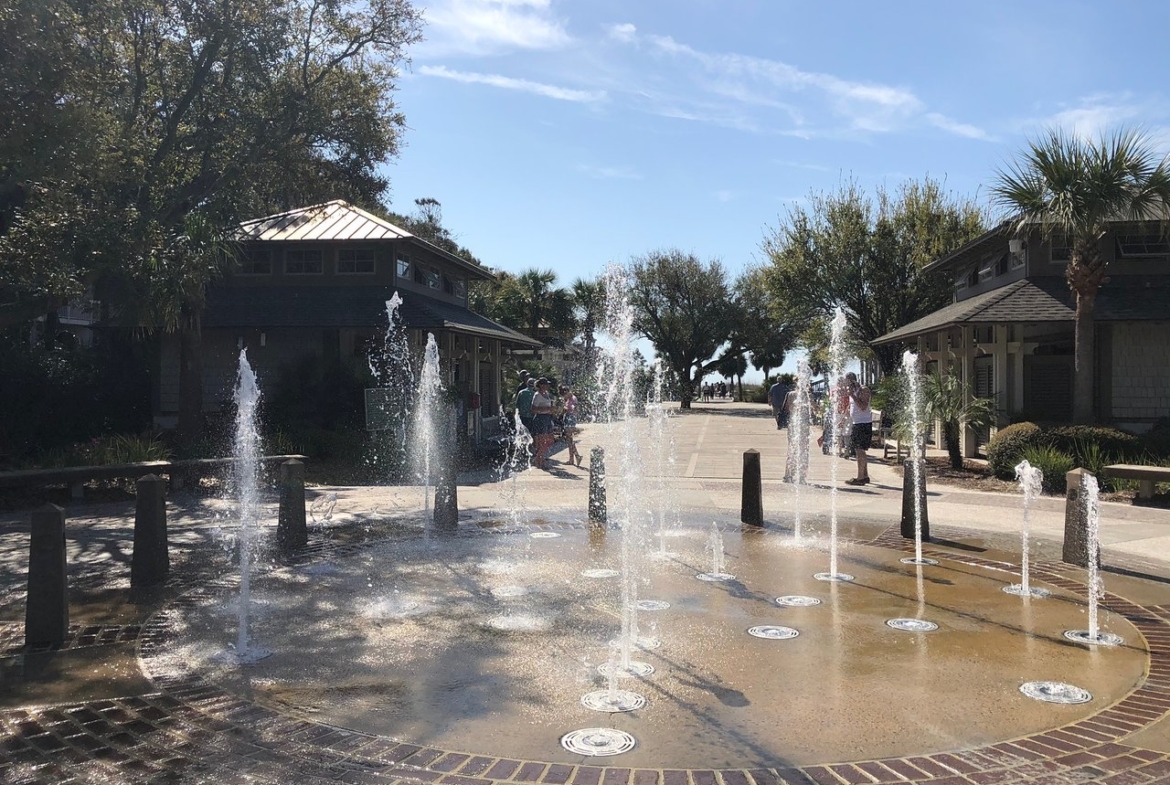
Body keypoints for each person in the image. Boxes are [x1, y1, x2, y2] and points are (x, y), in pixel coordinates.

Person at [843, 372, 873, 486]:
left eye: (847, 381)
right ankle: (864, 475)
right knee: (858, 450)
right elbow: (851, 406)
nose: (846, 384)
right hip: (856, 423)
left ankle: (860, 478)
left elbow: (863, 406)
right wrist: (844, 418)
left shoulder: (863, 390)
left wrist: (852, 395)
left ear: (852, 380)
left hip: (863, 423)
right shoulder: (853, 392)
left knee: (860, 449)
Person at [530, 377, 556, 469]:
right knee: (542, 441)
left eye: (547, 384)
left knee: (550, 440)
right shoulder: (537, 395)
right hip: (540, 419)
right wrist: (546, 409)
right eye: (545, 384)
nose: (547, 386)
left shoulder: (547, 394)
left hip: (548, 418)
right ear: (540, 385)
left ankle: (538, 458)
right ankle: (540, 461)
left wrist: (552, 409)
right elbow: (533, 409)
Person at [558, 384, 582, 467]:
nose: (564, 396)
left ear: (567, 392)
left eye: (565, 394)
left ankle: (576, 456)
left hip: (571, 419)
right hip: (568, 418)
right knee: (569, 440)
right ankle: (572, 458)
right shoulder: (568, 399)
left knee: (569, 439)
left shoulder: (573, 399)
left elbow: (575, 409)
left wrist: (569, 409)